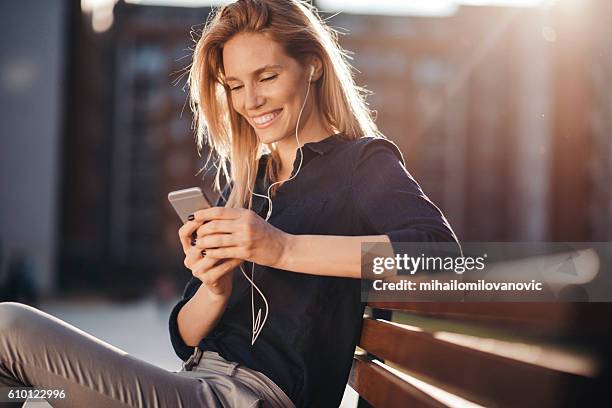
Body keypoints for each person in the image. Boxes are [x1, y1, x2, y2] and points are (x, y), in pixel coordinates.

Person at [0, 1, 459, 407]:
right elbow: (184, 338)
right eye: (235, 85)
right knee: (17, 382)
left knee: (6, 329)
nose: (250, 100)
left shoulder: (360, 163)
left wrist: (281, 249)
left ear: (313, 66)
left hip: (249, 397)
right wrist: (213, 289)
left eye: (267, 76)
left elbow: (441, 256)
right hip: (193, 383)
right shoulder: (246, 185)